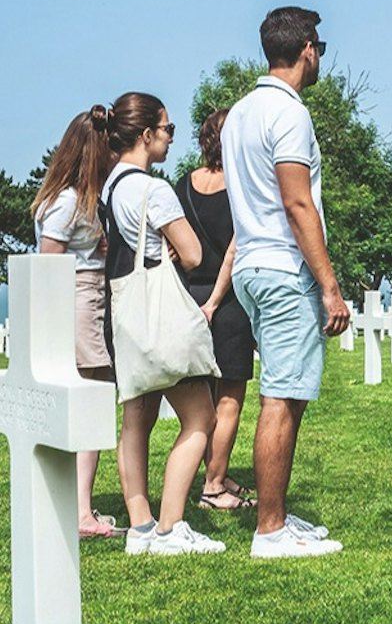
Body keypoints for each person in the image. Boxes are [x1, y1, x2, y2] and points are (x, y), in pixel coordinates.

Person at [221, 6, 350, 559]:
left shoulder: (239, 113)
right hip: (281, 266)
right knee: (282, 396)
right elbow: (297, 203)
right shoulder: (289, 113)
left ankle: (277, 516)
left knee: (286, 392)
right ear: (307, 50)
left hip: (251, 263)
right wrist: (329, 285)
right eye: (320, 48)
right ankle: (270, 531)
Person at [101, 92, 223, 555]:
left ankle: (141, 527)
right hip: (161, 316)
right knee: (200, 418)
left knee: (137, 418)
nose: (172, 137)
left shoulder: (111, 187)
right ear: (147, 134)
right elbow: (192, 254)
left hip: (125, 314)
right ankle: (172, 526)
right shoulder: (155, 190)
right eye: (168, 129)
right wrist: (172, 249)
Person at [32, 105, 124, 539]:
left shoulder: (69, 199)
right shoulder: (70, 202)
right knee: (92, 401)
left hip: (83, 301)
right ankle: (82, 512)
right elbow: (50, 262)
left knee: (91, 399)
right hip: (80, 302)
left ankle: (75, 505)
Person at [175, 108, 257, 512]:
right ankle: (213, 485)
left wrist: (197, 301)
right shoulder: (242, 185)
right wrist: (215, 301)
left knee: (203, 397)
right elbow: (235, 249)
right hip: (226, 303)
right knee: (230, 397)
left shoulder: (183, 185)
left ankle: (216, 474)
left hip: (190, 295)